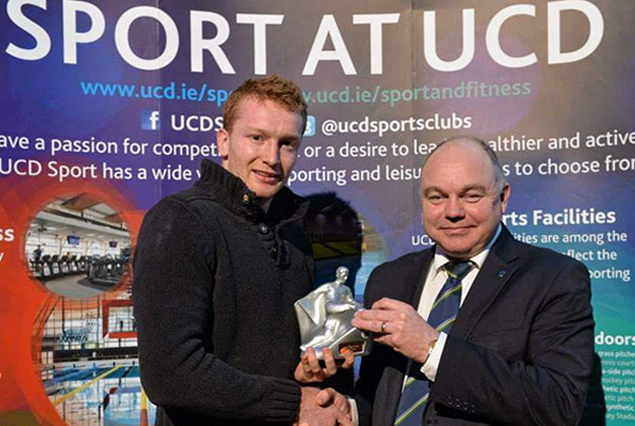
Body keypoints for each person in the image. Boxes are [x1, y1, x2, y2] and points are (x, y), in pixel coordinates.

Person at [133, 75, 352, 426]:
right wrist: (294, 403)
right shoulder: (180, 220)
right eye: (257, 138)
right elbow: (170, 373)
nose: (272, 158)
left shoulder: (296, 235)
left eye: (287, 143)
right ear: (224, 141)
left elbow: (271, 361)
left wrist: (307, 373)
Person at [350, 137, 595, 426]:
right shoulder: (389, 278)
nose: (453, 212)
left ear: (502, 197)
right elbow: (378, 394)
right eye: (437, 197)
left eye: (471, 196)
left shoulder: (554, 279)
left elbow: (559, 404)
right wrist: (349, 411)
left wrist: (432, 349)